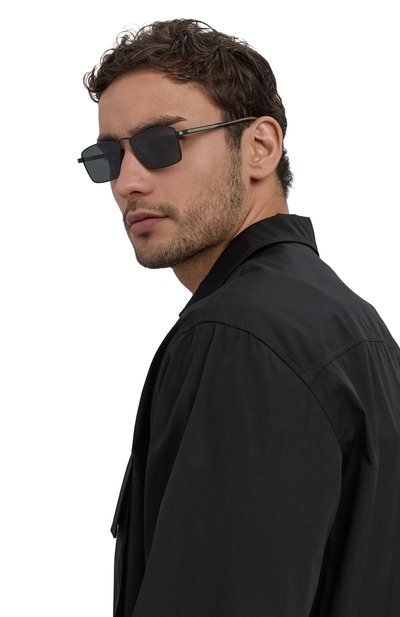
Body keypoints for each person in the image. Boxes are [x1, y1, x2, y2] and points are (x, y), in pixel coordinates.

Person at [78, 18, 400, 617]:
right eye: (109, 157)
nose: (127, 182)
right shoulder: (356, 325)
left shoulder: (238, 337)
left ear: (260, 147)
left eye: (161, 143)